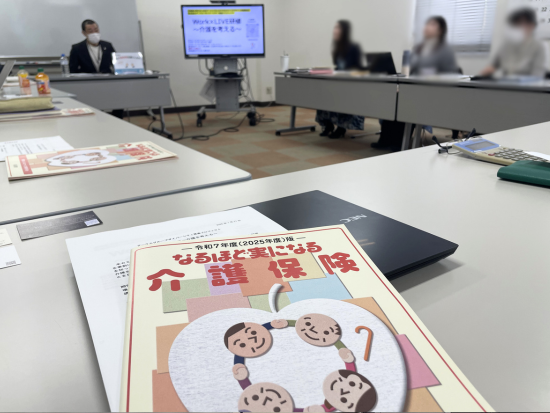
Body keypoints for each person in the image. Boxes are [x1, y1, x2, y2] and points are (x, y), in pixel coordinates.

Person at [316, 20, 364, 139]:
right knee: (322, 94)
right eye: (335, 28)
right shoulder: (337, 47)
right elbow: (338, 67)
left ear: (344, 31)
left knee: (339, 96)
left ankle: (341, 128)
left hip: (349, 83)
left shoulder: (354, 47)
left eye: (338, 28)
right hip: (338, 81)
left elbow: (357, 67)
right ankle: (328, 125)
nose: (335, 30)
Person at [69, 20, 124, 118]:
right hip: (88, 84)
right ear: (84, 33)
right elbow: (72, 70)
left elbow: (117, 64)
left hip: (108, 82)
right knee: (96, 108)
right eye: (90, 31)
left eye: (96, 29)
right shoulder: (77, 48)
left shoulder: (107, 45)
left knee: (120, 100)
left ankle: (117, 120)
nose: (94, 33)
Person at [480, 8, 547, 78]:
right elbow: (493, 65)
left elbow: (537, 75)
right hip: (506, 83)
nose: (518, 27)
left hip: (528, 84)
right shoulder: (507, 44)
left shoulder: (539, 46)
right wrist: (486, 72)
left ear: (532, 25)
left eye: (521, 23)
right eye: (516, 24)